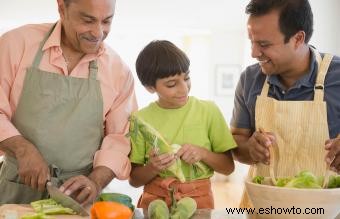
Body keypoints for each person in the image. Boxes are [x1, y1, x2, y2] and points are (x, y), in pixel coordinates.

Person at [0, 0, 137, 205]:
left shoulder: (119, 72)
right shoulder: (16, 44)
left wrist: (95, 182)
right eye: (88, 20)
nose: (98, 32)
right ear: (62, 8)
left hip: (78, 198)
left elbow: (120, 139)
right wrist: (23, 150)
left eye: (107, 21)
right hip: (16, 188)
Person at [230, 0, 340, 207]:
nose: (254, 53)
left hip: (327, 209)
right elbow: (236, 142)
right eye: (251, 41)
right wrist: (248, 148)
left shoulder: (337, 76)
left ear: (298, 38)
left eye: (264, 44)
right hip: (263, 207)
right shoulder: (249, 79)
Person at [128, 40, 236, 209]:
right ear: (150, 87)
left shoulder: (209, 111)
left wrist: (203, 153)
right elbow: (134, 180)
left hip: (199, 202)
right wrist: (153, 167)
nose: (184, 88)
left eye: (186, 78)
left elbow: (228, 167)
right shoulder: (140, 119)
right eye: (171, 84)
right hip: (155, 204)